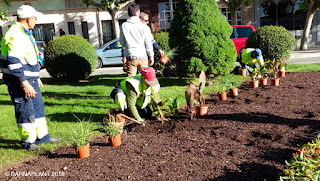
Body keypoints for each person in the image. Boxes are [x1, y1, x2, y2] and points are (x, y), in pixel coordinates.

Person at [0, 5, 61, 151]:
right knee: (24, 109)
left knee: (38, 108)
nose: (36, 20)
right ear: (29, 19)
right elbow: (14, 62)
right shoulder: (14, 34)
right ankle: (28, 142)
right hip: (19, 81)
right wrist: (25, 83)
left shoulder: (25, 32)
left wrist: (36, 77)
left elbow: (28, 58)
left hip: (30, 79)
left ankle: (43, 137)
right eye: (35, 18)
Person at [120, 4, 154, 77]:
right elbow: (148, 43)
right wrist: (151, 56)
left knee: (131, 80)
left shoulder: (124, 25)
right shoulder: (144, 27)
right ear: (138, 12)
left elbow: (122, 42)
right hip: (142, 55)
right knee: (145, 79)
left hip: (131, 55)